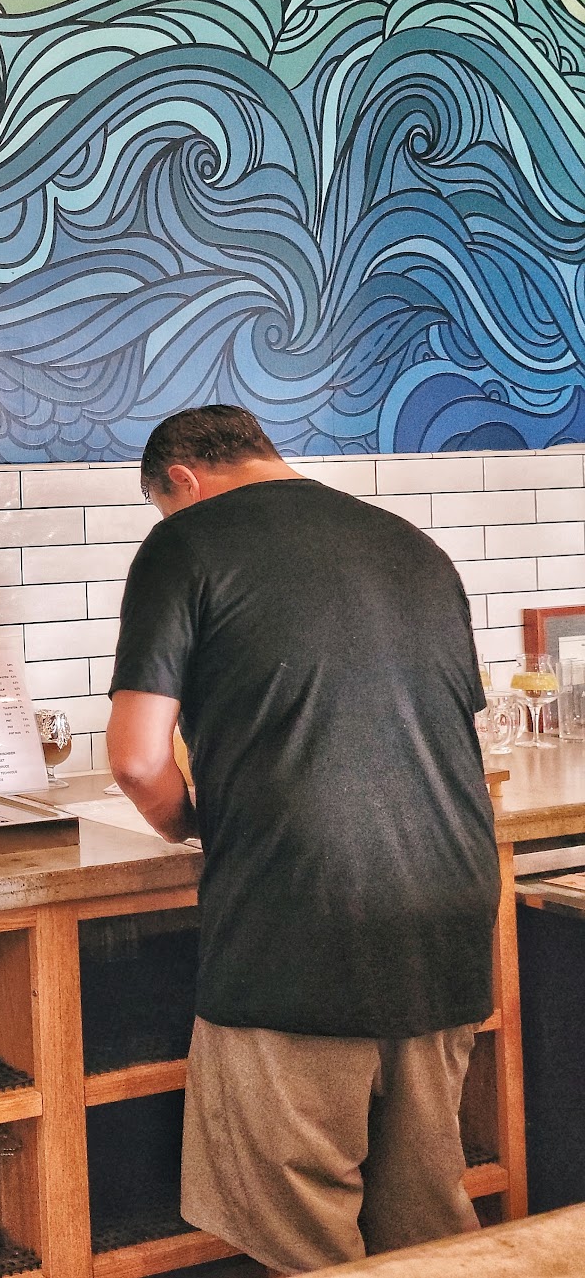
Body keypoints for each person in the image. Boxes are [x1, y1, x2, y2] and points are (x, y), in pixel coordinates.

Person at [104, 405, 500, 1275]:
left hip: (299, 915)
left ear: (182, 481)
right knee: (427, 1225)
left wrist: (192, 821)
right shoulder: (411, 545)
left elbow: (135, 758)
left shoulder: (185, 541)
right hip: (446, 907)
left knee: (306, 1236)